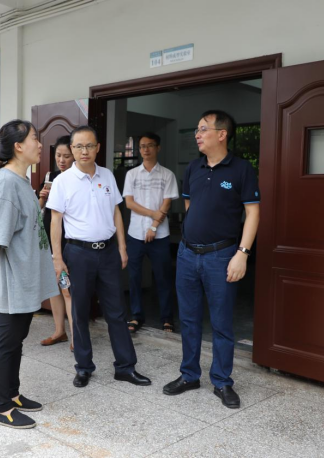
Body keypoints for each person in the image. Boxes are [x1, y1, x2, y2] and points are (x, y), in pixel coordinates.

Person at [162, 111, 260, 410]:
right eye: (197, 129)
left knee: (221, 322)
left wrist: (242, 254)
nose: (197, 134)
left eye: (203, 129)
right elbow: (190, 206)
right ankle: (189, 375)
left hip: (222, 256)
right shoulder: (194, 167)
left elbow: (253, 213)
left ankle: (221, 381)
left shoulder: (241, 169)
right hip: (188, 254)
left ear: (222, 134)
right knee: (189, 319)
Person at [47, 126, 151, 389]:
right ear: (72, 149)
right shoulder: (62, 181)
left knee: (116, 311)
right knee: (80, 311)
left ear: (98, 148)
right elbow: (56, 221)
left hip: (107, 253)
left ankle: (125, 367)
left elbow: (116, 212)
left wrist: (122, 247)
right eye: (79, 146)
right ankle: (83, 367)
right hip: (77, 254)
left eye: (89, 146)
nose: (84, 151)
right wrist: (57, 258)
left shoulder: (107, 175)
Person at [0, 120, 60, 429]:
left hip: (26, 273)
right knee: (6, 341)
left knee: (16, 339)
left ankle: (12, 394)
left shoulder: (21, 180)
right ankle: (1, 407)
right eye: (35, 139)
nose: (40, 145)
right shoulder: (6, 183)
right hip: (14, 275)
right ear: (18, 146)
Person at [123, 132, 179, 333]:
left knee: (163, 277)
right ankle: (136, 316)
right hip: (135, 234)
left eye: (149, 145)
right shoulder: (132, 174)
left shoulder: (167, 175)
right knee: (134, 277)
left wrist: (154, 226)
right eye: (142, 146)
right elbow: (129, 203)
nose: (145, 149)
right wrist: (152, 214)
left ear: (158, 148)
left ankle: (167, 318)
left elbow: (167, 203)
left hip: (160, 235)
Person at [38, 136, 75, 348]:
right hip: (49, 239)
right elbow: (39, 208)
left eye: (66, 156)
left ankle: (76, 336)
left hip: (68, 240)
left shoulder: (76, 178)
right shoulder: (50, 176)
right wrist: (43, 196)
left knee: (67, 288)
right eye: (58, 155)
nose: (61, 160)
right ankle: (59, 331)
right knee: (54, 287)